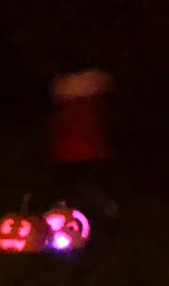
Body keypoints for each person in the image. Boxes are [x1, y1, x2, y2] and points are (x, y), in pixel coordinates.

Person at [49, 64, 118, 215]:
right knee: (79, 186)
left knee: (80, 186)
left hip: (79, 153)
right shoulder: (91, 99)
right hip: (79, 152)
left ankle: (100, 209)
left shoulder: (76, 104)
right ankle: (94, 210)